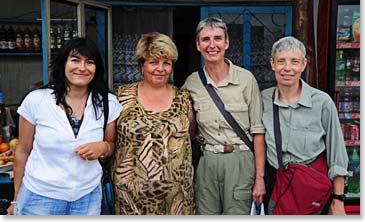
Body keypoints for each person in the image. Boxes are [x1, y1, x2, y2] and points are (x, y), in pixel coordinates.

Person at [7, 37, 123, 215]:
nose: (82, 68)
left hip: (88, 197)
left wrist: (104, 147)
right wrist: (16, 198)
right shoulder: (37, 100)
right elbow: (22, 151)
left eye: (89, 62)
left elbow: (111, 145)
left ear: (96, 68)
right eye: (75, 60)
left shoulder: (108, 103)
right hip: (39, 197)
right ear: (63, 64)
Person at [182, 17, 266, 215]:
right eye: (206, 39)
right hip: (207, 161)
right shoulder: (192, 83)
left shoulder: (246, 80)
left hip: (240, 161)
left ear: (226, 43)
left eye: (218, 38)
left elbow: (258, 131)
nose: (212, 45)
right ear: (198, 45)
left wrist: (259, 179)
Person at [261, 36, 349, 215]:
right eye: (281, 61)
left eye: (294, 62)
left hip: (310, 188)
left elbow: (337, 155)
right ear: (272, 64)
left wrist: (338, 200)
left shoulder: (322, 102)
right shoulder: (263, 99)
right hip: (276, 185)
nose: (287, 68)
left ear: (304, 64)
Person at [111, 32, 196, 215]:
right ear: (142, 65)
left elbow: (192, 134)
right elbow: (110, 140)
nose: (160, 68)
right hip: (131, 199)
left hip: (176, 200)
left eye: (166, 63)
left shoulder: (183, 98)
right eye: (153, 62)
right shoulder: (122, 97)